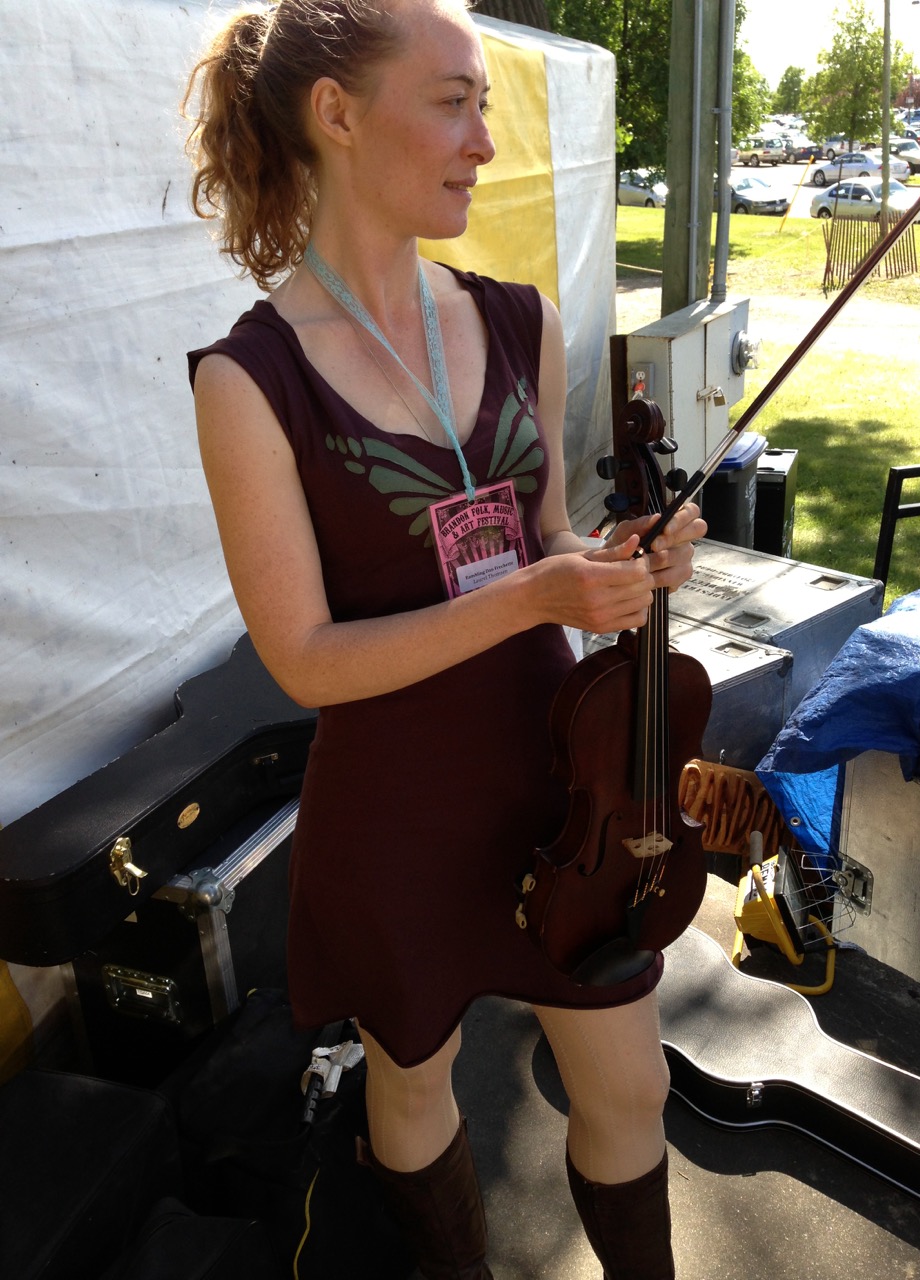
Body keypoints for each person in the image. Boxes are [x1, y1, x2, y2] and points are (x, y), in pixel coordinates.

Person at [182, 2, 705, 1276]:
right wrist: (536, 594)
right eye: (454, 101)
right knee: (413, 1089)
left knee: (630, 1089)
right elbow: (304, 656)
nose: (483, 140)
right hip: (394, 806)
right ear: (340, 114)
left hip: (560, 788)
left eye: (486, 104)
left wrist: (618, 564)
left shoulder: (518, 316)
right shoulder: (249, 378)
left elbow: (546, 529)